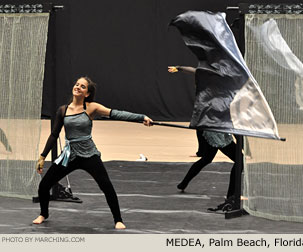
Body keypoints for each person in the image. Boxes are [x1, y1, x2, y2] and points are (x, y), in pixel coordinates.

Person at [32, 76, 153, 229]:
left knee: (106, 186)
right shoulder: (63, 110)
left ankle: (118, 219)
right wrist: (43, 156)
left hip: (89, 155)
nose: (78, 87)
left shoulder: (91, 107)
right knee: (44, 185)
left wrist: (141, 118)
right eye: (77, 84)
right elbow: (54, 135)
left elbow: (116, 113)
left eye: (82, 86)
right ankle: (44, 214)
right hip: (69, 156)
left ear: (87, 93)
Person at [168, 66, 240, 212]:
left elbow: (196, 71)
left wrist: (180, 68)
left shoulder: (212, 90)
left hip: (212, 128)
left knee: (207, 158)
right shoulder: (213, 93)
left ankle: (183, 184)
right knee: (240, 162)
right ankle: (231, 196)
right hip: (215, 130)